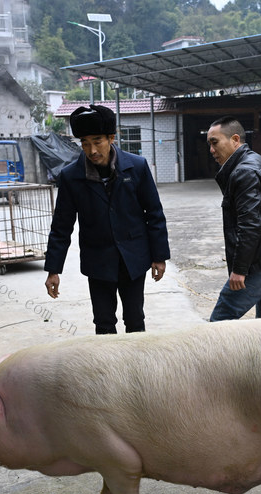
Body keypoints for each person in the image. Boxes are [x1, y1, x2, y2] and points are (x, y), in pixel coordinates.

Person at [44, 105, 169, 334]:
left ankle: (136, 369)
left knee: (134, 319)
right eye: (84, 142)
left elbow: (154, 213)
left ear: (112, 137)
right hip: (98, 260)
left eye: (97, 141)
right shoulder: (71, 177)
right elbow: (61, 226)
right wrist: (53, 269)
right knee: (103, 322)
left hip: (133, 258)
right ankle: (108, 370)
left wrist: (159, 256)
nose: (91, 149)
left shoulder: (137, 167)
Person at [206, 117, 261, 321]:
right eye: (209, 144)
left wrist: (239, 270)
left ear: (235, 139)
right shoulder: (257, 161)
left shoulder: (244, 171)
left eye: (215, 142)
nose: (211, 150)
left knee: (218, 326)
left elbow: (250, 226)